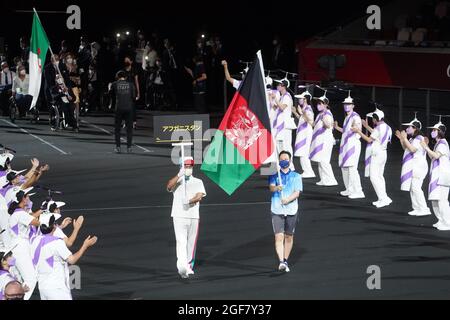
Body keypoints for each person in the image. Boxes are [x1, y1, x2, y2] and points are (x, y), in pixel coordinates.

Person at [32, 213, 97, 300]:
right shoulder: (57, 243)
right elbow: (72, 260)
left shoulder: (35, 240)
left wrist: (62, 226)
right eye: (55, 223)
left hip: (43, 288)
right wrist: (85, 245)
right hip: (57, 288)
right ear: (53, 226)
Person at [166, 157, 206, 279]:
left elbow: (199, 196)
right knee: (181, 240)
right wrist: (179, 175)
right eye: (186, 166)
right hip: (178, 215)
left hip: (193, 216)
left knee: (191, 242)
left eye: (190, 166)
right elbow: (168, 186)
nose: (189, 168)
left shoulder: (198, 181)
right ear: (181, 166)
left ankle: (188, 265)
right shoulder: (177, 181)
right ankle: (182, 265)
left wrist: (189, 201)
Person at [268, 151, 302, 273]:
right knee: (279, 236)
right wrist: (277, 188)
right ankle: (281, 261)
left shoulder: (296, 176)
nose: (284, 161)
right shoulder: (274, 174)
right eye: (281, 159)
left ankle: (286, 259)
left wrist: (287, 199)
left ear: (290, 160)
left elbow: (297, 193)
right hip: (277, 209)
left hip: (292, 210)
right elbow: (271, 188)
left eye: (286, 159)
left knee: (288, 236)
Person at [352, 108, 393, 208]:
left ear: (376, 119)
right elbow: (376, 134)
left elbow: (369, 139)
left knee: (374, 177)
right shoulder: (387, 127)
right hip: (384, 153)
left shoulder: (379, 128)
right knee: (380, 176)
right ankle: (384, 197)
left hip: (377, 154)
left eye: (373, 119)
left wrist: (358, 131)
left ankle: (382, 199)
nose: (372, 120)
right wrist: (366, 126)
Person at [8, 188, 42, 300]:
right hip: (20, 246)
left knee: (19, 280)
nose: (29, 199)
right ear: (23, 199)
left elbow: (32, 217)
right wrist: (49, 220)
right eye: (27, 197)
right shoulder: (20, 214)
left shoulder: (17, 213)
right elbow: (37, 223)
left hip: (17, 246)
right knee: (31, 278)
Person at [395, 116, 431, 216]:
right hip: (414, 166)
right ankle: (416, 208)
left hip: (418, 167)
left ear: (415, 128)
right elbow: (406, 148)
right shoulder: (412, 138)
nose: (407, 129)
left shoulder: (419, 139)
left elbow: (413, 150)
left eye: (409, 127)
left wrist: (405, 138)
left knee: (416, 188)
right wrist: (402, 139)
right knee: (412, 187)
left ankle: (424, 208)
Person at [334, 92, 365, 199]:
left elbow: (357, 129)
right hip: (345, 145)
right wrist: (337, 127)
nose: (346, 106)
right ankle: (349, 189)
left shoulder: (355, 116)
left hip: (353, 145)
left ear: (353, 105)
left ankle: (358, 191)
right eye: (345, 104)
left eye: (348, 104)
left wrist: (355, 127)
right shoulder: (347, 117)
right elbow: (346, 131)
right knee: (344, 168)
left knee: (352, 168)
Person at [420, 121, 450, 230]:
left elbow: (436, 156)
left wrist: (425, 147)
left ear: (440, 131)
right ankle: (441, 220)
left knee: (442, 200)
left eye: (434, 130)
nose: (432, 132)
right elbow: (432, 157)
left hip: (442, 176)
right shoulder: (438, 143)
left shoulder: (443, 143)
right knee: (435, 199)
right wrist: (426, 146)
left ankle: (447, 222)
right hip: (436, 175)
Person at [310, 93, 338, 186]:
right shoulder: (320, 114)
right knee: (319, 160)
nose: (318, 105)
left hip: (325, 141)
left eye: (320, 103)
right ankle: (323, 179)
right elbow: (313, 124)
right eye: (318, 103)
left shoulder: (327, 114)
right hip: (319, 140)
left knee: (324, 161)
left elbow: (329, 125)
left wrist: (324, 120)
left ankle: (331, 180)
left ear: (326, 105)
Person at [270, 80, 295, 170]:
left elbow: (282, 107)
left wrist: (275, 99)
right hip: (280, 126)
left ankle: (290, 166)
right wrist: (271, 99)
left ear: (283, 86)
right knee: (280, 145)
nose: (277, 86)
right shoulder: (282, 97)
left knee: (286, 146)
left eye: (279, 84)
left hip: (285, 126)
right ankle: (283, 165)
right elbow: (276, 108)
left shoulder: (287, 97)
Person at [110, 70, 136, 154]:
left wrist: (109, 88)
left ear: (117, 76)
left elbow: (111, 95)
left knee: (117, 129)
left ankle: (118, 148)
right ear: (126, 77)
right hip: (129, 108)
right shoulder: (131, 85)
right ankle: (129, 148)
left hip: (119, 108)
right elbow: (134, 97)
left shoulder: (114, 84)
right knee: (129, 129)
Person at [292, 90, 315, 178]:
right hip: (302, 132)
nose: (299, 100)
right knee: (302, 152)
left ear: (305, 99)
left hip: (306, 133)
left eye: (301, 99)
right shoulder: (305, 109)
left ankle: (308, 171)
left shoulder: (308, 109)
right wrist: (295, 112)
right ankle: (307, 171)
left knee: (304, 152)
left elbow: (310, 121)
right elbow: (302, 118)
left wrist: (301, 112)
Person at [123, 56, 140, 129]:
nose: (126, 61)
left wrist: (138, 92)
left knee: (132, 107)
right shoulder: (123, 70)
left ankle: (134, 122)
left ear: (131, 62)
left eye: (127, 60)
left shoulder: (134, 70)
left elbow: (136, 82)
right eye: (125, 60)